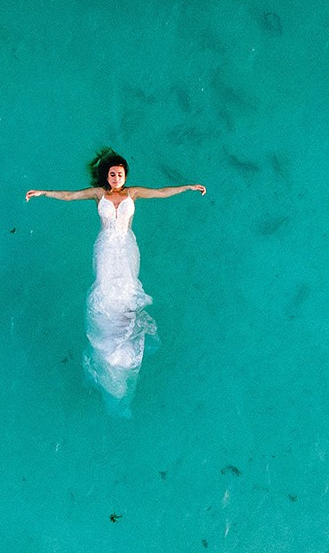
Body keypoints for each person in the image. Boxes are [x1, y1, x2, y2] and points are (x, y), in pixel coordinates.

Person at [26, 149, 205, 413]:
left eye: (120, 174)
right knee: (105, 289)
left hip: (128, 247)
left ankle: (122, 331)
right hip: (105, 248)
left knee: (128, 287)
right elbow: (70, 196)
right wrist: (42, 193)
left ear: (125, 176)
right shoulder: (99, 194)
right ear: (106, 177)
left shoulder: (133, 193)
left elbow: (161, 192)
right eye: (112, 174)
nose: (116, 178)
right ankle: (108, 340)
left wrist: (188, 186)